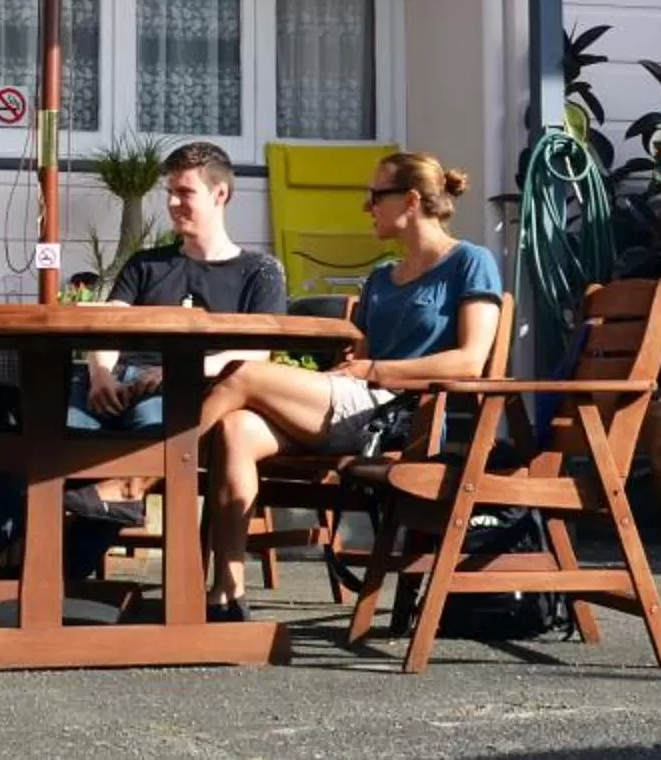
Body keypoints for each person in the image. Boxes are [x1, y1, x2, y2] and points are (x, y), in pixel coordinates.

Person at [196, 150, 503, 620]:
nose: (368, 206)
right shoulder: (381, 277)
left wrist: (374, 369)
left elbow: (471, 361)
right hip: (352, 403)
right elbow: (356, 359)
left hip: (399, 415)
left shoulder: (470, 262)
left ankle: (145, 473)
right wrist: (354, 361)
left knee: (242, 374)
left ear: (412, 201)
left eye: (377, 195)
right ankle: (227, 592)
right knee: (236, 428)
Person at [73, 140, 289, 432]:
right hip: (117, 379)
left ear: (219, 194)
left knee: (151, 429)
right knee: (54, 430)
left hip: (191, 386)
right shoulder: (144, 264)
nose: (172, 203)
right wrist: (100, 375)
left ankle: (115, 481)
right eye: (170, 193)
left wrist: (176, 371)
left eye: (185, 192)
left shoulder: (260, 272)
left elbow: (256, 354)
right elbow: (109, 326)